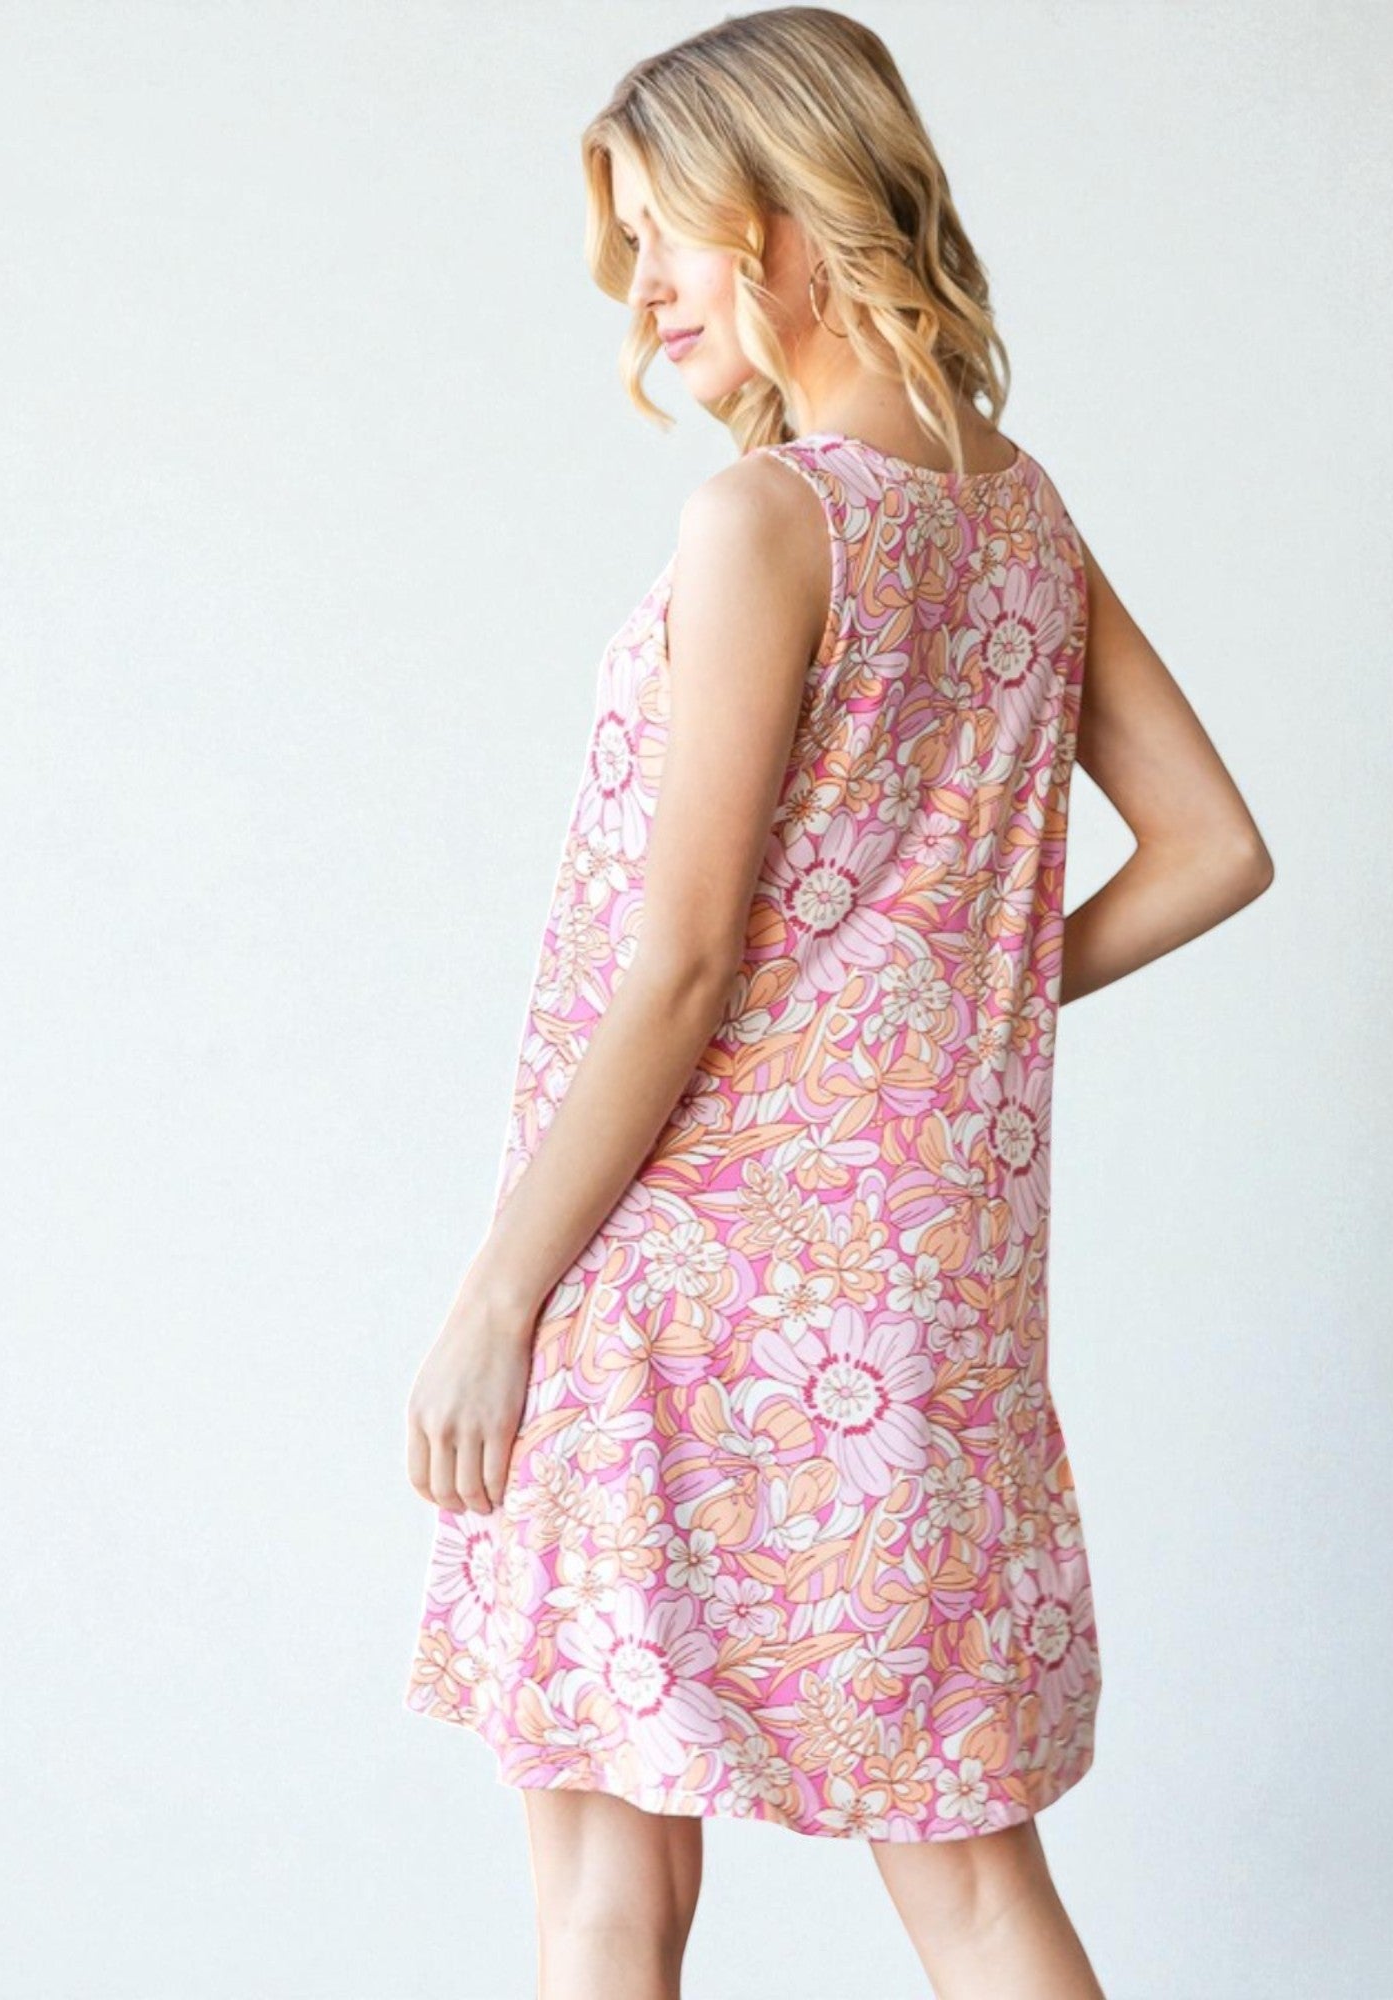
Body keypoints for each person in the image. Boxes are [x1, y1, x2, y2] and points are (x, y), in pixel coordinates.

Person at [403, 9, 1273, 1996]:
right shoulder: (1016, 516)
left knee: (607, 1895)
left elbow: (685, 963)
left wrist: (491, 1303)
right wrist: (945, 1009)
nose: (635, 295)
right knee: (970, 1882)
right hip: (916, 1302)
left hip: (674, 1277)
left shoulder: (766, 518)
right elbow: (1213, 843)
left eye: (661, 240)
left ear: (785, 220)